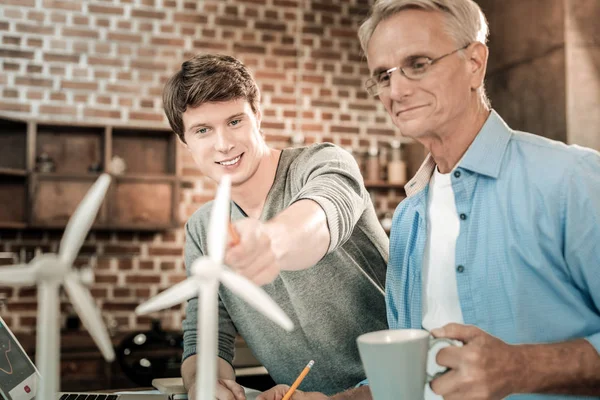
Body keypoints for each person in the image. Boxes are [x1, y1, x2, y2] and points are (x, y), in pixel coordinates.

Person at [358, 1, 600, 400]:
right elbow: (410, 377)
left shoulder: (570, 179)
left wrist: (522, 368)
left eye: (417, 63)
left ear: (475, 62)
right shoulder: (406, 220)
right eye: (383, 75)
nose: (396, 90)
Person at [161, 53, 389, 400]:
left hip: (398, 387)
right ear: (185, 141)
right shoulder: (202, 228)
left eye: (235, 121)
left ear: (258, 116)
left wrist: (270, 239)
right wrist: (204, 383)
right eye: (203, 130)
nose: (223, 143)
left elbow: (321, 216)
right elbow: (205, 334)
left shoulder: (322, 163)